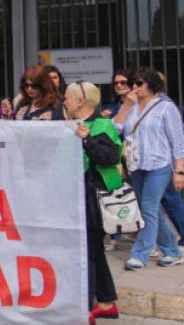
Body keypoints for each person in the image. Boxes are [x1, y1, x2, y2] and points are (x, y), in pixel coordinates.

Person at [113, 67, 184, 270]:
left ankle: (139, 255)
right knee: (152, 211)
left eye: (139, 83)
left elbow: (178, 141)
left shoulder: (166, 107)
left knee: (148, 209)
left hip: (159, 165)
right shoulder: (131, 106)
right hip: (136, 165)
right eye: (132, 83)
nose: (134, 87)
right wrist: (126, 106)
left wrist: (179, 170)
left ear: (151, 85)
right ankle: (172, 250)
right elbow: (116, 127)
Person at [61, 82, 121, 320]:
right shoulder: (73, 125)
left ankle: (84, 311)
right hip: (81, 199)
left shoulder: (101, 124)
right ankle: (106, 304)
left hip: (94, 201)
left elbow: (111, 157)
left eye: (66, 97)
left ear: (79, 101)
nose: (62, 101)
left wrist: (89, 141)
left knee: (85, 253)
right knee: (96, 251)